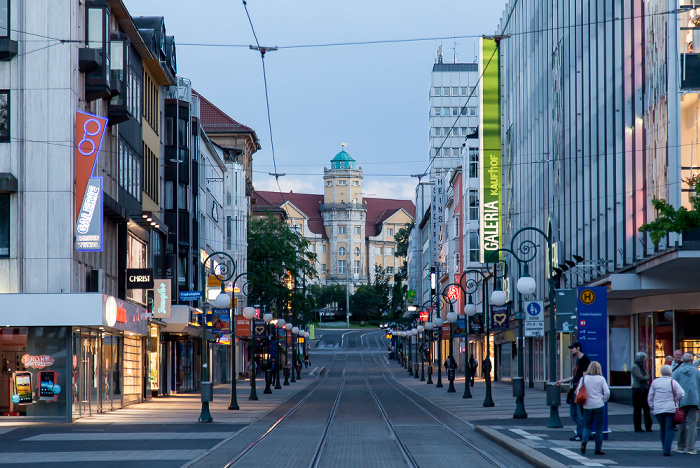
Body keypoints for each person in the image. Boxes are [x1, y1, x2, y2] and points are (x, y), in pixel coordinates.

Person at [555, 341, 590, 442]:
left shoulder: (584, 360)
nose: (571, 350)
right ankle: (583, 432)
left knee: (579, 414)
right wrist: (561, 381)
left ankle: (581, 434)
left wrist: (581, 388)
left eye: (572, 348)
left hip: (578, 391)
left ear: (578, 348)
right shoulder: (578, 360)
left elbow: (584, 377)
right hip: (574, 390)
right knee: (573, 414)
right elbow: (575, 376)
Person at [648, 364, 685, 456]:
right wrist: (676, 400)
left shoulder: (655, 382)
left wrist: (652, 405)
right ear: (670, 373)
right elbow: (681, 393)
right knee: (669, 428)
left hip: (658, 409)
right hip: (670, 408)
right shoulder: (673, 382)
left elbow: (650, 395)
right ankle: (666, 449)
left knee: (662, 428)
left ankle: (664, 446)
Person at [577, 361, 610, 456]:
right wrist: (603, 400)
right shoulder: (601, 379)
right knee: (599, 428)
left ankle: (584, 441)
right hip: (599, 405)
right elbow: (607, 392)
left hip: (587, 405)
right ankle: (598, 449)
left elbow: (578, 391)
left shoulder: (584, 379)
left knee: (587, 426)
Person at [672, 352, 700, 454]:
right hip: (694, 400)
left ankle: (681, 446)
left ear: (682, 361)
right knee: (693, 425)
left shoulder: (677, 371)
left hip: (681, 400)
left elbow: (673, 387)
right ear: (692, 361)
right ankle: (690, 448)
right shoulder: (696, 372)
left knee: (681, 424)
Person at [631, 352, 653, 432]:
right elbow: (641, 377)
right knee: (637, 409)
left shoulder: (642, 367)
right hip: (638, 389)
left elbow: (647, 376)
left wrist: (646, 377)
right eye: (644, 359)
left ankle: (648, 426)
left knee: (646, 408)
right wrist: (646, 377)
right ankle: (637, 427)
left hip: (644, 389)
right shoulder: (635, 367)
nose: (645, 360)